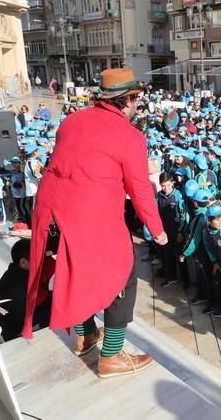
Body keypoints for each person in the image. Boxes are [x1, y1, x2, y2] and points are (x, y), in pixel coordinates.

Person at [23, 68, 168, 378]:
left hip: (49, 211)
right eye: (136, 101)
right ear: (128, 101)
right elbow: (139, 189)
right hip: (86, 216)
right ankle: (112, 356)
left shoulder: (71, 121)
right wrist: (156, 229)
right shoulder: (130, 136)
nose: (137, 106)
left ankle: (86, 333)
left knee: (74, 270)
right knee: (122, 274)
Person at [0, 239, 52, 341]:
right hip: (17, 332)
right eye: (38, 258)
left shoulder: (16, 271)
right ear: (23, 262)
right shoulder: (17, 285)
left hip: (13, 322)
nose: (42, 261)